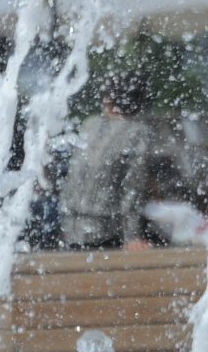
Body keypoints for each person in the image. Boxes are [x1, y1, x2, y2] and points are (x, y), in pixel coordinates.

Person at [59, 70, 156, 250]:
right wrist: (132, 236)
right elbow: (133, 188)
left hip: (71, 223)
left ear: (108, 99)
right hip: (105, 227)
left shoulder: (90, 124)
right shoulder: (138, 132)